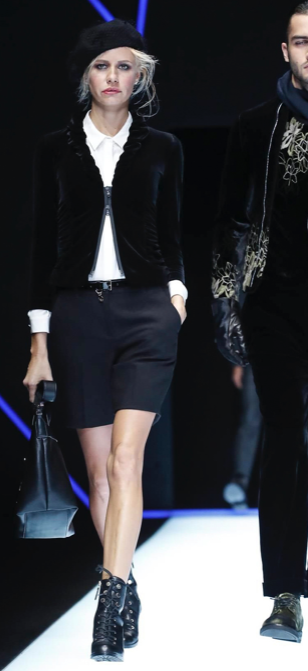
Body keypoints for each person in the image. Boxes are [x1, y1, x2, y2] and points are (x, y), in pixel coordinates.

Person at [23, 19, 187, 661]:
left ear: (139, 76)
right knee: (98, 475)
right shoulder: (54, 150)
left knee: (124, 462)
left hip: (147, 314)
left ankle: (108, 604)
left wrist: (177, 296)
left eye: (124, 66)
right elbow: (42, 246)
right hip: (76, 318)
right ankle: (127, 584)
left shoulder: (164, 147)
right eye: (101, 66)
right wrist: (39, 342)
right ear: (85, 76)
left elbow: (172, 232)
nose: (112, 77)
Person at [212, 2, 308, 643]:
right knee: (283, 441)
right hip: (276, 305)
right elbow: (229, 222)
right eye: (303, 42)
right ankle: (285, 594)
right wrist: (226, 305)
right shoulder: (256, 126)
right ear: (285, 51)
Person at [222, 364, 263, 510]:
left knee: (291, 422)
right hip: (256, 360)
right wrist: (237, 364)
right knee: (250, 419)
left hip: (294, 358)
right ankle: (239, 483)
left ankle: (292, 484)